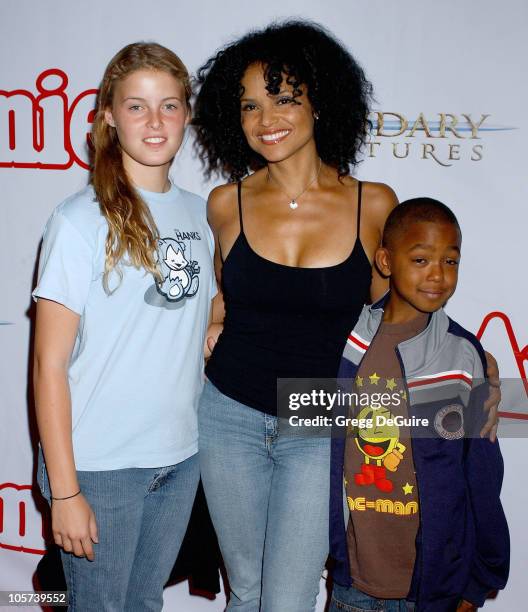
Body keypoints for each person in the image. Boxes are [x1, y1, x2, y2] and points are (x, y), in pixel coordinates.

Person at [195, 21, 500, 612]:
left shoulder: (373, 202)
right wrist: (214, 321)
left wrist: (469, 355)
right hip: (227, 413)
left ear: (320, 101)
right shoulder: (224, 203)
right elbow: (224, 296)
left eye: (284, 98)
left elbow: (403, 307)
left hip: (321, 414)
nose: (266, 119)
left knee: (286, 598)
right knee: (247, 590)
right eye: (251, 105)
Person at [33, 42, 216, 611]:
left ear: (187, 113)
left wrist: (212, 327)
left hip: (181, 455)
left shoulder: (199, 212)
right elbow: (48, 366)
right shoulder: (79, 220)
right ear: (108, 116)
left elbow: (203, 305)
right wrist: (65, 491)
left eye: (169, 105)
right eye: (136, 106)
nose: (155, 121)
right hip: (100, 465)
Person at [329, 199, 509, 612]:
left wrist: (478, 579)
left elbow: (482, 472)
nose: (438, 275)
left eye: (450, 260)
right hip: (351, 584)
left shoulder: (464, 356)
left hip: (431, 591)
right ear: (386, 261)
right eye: (421, 259)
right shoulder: (347, 342)